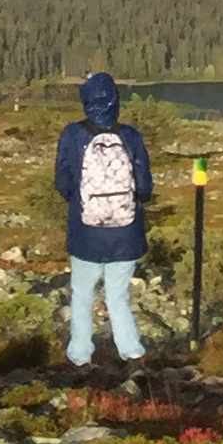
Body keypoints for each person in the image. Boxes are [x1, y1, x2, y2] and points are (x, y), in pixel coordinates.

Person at [56, 72, 160, 368]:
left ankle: (80, 356)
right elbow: (144, 186)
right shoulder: (130, 135)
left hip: (85, 231)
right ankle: (132, 353)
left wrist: (80, 204)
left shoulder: (72, 135)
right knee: (118, 295)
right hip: (125, 233)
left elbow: (62, 181)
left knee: (82, 294)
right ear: (116, 100)